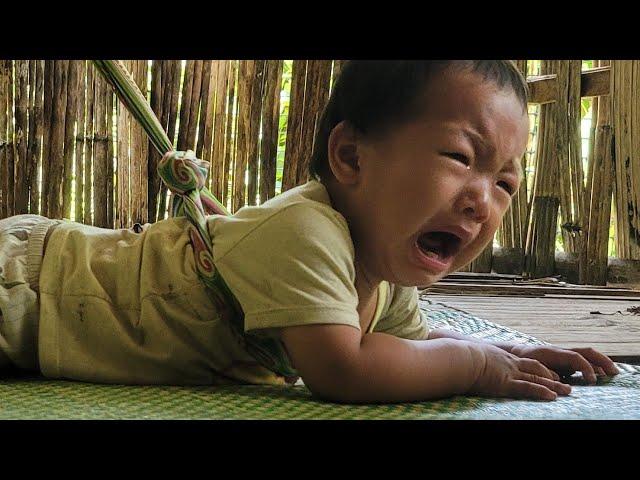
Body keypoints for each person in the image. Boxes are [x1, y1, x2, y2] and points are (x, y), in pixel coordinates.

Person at [0, 60, 618, 404]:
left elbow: (409, 343)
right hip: (29, 284)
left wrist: (516, 354)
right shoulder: (306, 230)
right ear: (351, 157)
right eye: (460, 156)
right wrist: (476, 366)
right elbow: (346, 369)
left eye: (506, 183)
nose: (483, 198)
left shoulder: (384, 268)